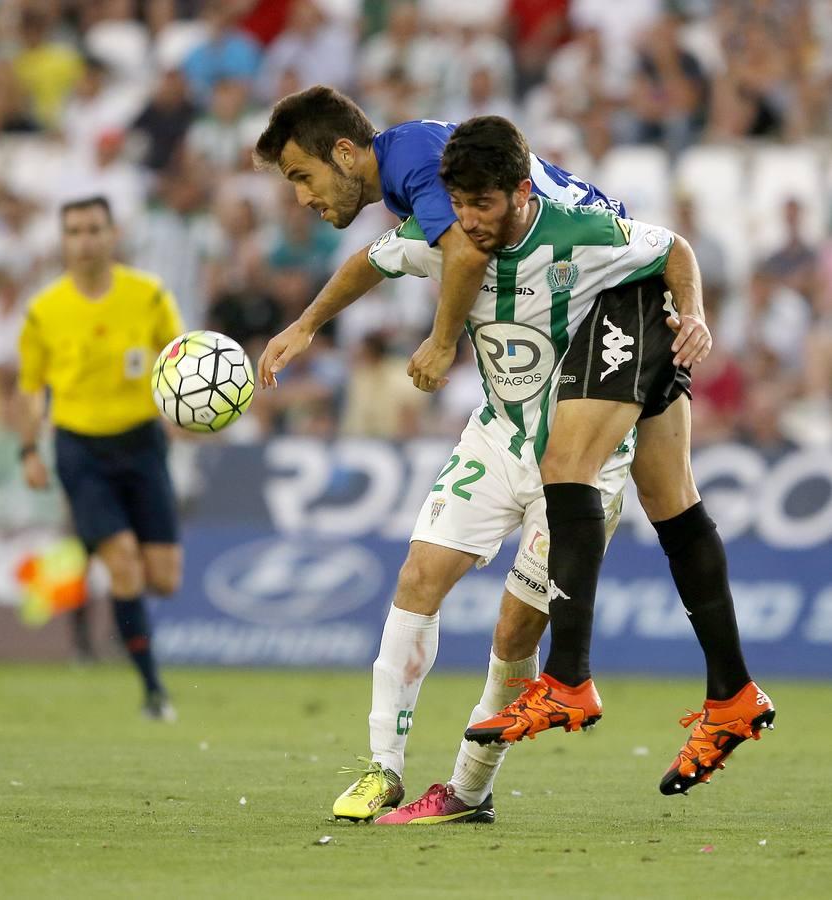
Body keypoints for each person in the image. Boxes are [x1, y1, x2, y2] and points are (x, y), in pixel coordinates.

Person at [447, 119, 775, 796]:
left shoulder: (558, 221)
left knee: (564, 470)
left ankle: (567, 678)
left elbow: (674, 245)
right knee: (673, 504)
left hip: (627, 310)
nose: (464, 217)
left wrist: (696, 312)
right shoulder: (457, 188)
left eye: (479, 203)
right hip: (635, 317)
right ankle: (732, 696)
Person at [252, 85, 624, 397]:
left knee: (567, 465)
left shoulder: (412, 161)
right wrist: (306, 325)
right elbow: (376, 258)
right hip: (594, 288)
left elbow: (467, 253)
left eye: (303, 177)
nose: (302, 198)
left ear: (345, 153)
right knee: (658, 485)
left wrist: (442, 342)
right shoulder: (405, 161)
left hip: (614, 282)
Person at [16, 196, 185, 721]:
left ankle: (94, 576)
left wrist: (189, 411)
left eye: (94, 229)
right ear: (63, 241)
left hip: (141, 443)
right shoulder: (44, 311)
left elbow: (181, 357)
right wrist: (28, 449)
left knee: (164, 578)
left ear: (113, 234)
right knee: (126, 565)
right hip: (79, 449)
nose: (85, 240)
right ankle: (154, 692)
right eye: (75, 231)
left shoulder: (148, 295)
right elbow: (29, 390)